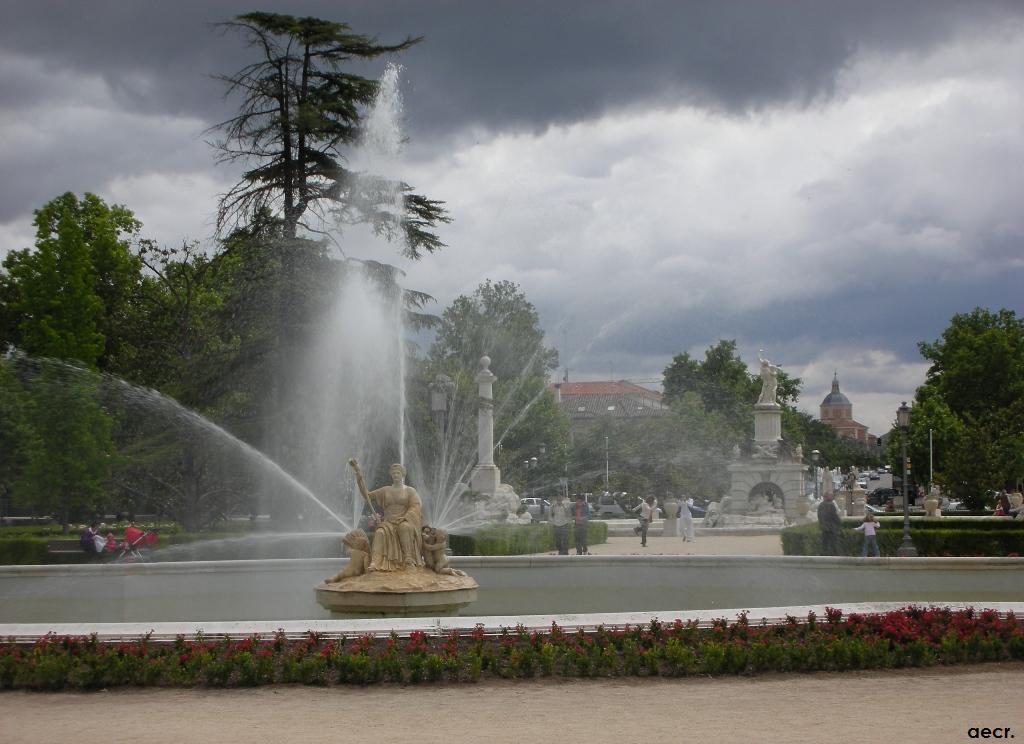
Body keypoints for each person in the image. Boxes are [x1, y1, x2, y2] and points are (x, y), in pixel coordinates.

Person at [350, 460, 423, 571]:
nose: (395, 475)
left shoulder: (410, 491)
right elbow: (367, 495)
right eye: (393, 473)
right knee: (379, 533)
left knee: (405, 527)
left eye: (398, 473)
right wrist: (359, 479)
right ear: (391, 475)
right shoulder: (385, 490)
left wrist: (406, 517)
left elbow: (416, 506)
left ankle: (408, 560)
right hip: (388, 522)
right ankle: (375, 562)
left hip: (403, 520)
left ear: (402, 474)